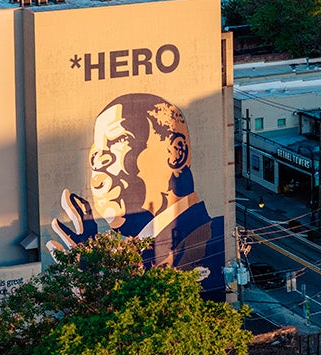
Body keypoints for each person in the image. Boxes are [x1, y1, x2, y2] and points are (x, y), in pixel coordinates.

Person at [49, 93, 227, 292]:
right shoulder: (134, 254)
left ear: (176, 153)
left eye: (120, 141)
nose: (100, 163)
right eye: (95, 156)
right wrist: (89, 272)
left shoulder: (216, 237)